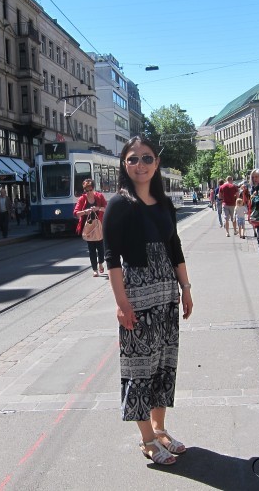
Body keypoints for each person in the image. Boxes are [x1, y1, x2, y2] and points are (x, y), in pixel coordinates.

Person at [103, 136, 193, 466]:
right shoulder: (119, 204)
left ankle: (160, 428)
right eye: (132, 159)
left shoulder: (164, 202)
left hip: (167, 294)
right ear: (124, 165)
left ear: (156, 164)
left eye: (146, 158)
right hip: (138, 293)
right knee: (140, 367)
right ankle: (146, 439)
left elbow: (175, 248)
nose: (139, 164)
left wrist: (185, 287)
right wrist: (121, 302)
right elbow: (111, 258)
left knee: (164, 363)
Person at [73, 178, 107, 277]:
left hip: (99, 226)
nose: (88, 192)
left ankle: (100, 263)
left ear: (93, 189)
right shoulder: (82, 199)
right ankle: (95, 269)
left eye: (90, 190)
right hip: (88, 227)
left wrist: (98, 208)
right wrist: (85, 212)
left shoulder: (99, 197)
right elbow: (76, 213)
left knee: (101, 248)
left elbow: (106, 208)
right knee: (91, 249)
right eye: (86, 190)